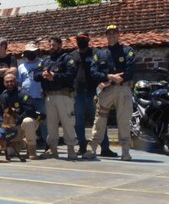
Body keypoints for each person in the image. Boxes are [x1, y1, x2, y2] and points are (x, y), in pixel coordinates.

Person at [83, 24, 136, 161]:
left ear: (119, 34)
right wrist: (109, 77)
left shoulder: (127, 50)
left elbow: (130, 70)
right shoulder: (100, 53)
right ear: (106, 36)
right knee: (99, 120)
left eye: (114, 33)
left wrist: (118, 78)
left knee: (123, 121)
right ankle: (91, 149)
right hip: (106, 90)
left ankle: (125, 152)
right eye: (109, 33)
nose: (112, 35)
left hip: (123, 89)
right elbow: (93, 72)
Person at [33, 36, 78, 160]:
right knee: (51, 125)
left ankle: (71, 150)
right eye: (50, 45)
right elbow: (35, 75)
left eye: (54, 45)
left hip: (63, 96)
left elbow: (71, 75)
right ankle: (53, 150)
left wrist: (55, 76)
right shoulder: (45, 61)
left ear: (60, 45)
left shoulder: (67, 59)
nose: (51, 47)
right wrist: (43, 75)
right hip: (49, 97)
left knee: (67, 124)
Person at [71, 31, 114, 156]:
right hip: (78, 93)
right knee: (79, 122)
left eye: (83, 38)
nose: (81, 41)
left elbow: (104, 69)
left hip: (95, 92)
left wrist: (105, 82)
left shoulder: (96, 53)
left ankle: (105, 148)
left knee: (99, 121)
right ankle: (82, 146)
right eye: (79, 39)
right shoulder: (72, 55)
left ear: (88, 39)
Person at [0, 72, 41, 159]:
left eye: (11, 81)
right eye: (7, 82)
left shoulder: (23, 93)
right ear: (4, 83)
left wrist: (16, 120)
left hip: (23, 124)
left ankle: (31, 148)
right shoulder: (2, 96)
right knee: (11, 153)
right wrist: (2, 123)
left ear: (15, 82)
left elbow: (29, 110)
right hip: (12, 128)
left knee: (28, 121)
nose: (9, 83)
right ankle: (22, 143)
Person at [18, 41, 47, 146]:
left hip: (40, 97)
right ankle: (30, 140)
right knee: (28, 120)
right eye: (28, 52)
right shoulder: (21, 67)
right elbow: (20, 83)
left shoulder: (42, 63)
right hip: (27, 99)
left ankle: (46, 142)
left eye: (32, 52)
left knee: (43, 119)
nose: (31, 54)